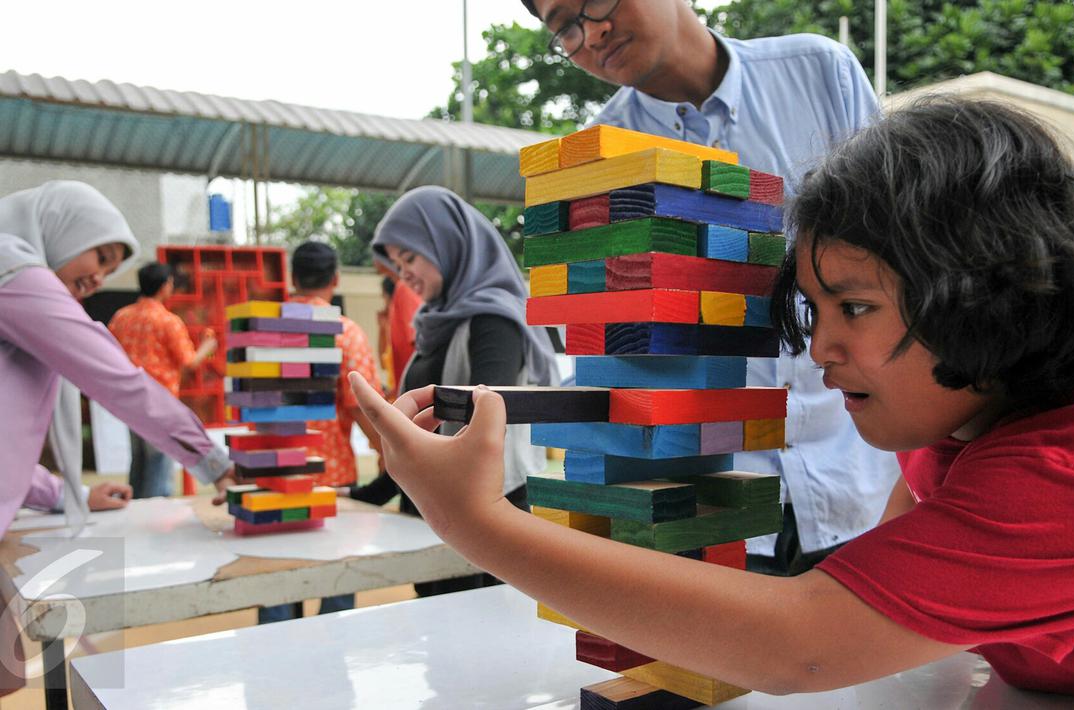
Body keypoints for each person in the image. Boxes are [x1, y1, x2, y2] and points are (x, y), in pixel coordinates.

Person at [347, 99, 1074, 707]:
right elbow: (898, 562)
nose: (821, 350)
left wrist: (474, 521)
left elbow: (798, 645)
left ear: (986, 290)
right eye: (814, 310)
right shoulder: (986, 403)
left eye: (855, 307)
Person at [517, 0, 900, 574]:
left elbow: (898, 257)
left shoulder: (819, 72)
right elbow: (605, 343)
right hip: (713, 502)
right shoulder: (598, 161)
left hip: (858, 477)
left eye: (594, 3)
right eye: (562, 27)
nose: (591, 32)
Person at [0, 180, 238, 694]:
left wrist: (69, 493)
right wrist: (215, 462)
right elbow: (120, 380)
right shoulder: (12, 268)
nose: (98, 278)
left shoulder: (121, 315)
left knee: (7, 669)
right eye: (100, 256)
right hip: (156, 412)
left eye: (111, 271)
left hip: (148, 415)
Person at [347, 185, 559, 597]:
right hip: (433, 514)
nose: (403, 273)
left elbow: (481, 429)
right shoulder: (434, 321)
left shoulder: (493, 323)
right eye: (396, 263)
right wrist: (364, 497)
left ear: (448, 243)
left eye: (410, 257)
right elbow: (415, 437)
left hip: (480, 524)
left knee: (483, 639)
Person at [257, 241, 383, 624]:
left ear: (293, 279)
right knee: (336, 582)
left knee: (276, 583)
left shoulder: (265, 331)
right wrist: (387, 453)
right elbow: (362, 407)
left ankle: (274, 666)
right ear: (336, 279)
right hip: (331, 478)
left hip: (272, 476)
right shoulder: (345, 333)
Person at [109, 262, 218, 498]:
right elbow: (189, 361)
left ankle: (133, 516)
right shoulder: (169, 322)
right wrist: (208, 347)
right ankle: (154, 521)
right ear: (166, 285)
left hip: (129, 397)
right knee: (158, 465)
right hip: (160, 401)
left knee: (138, 462)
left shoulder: (121, 317)